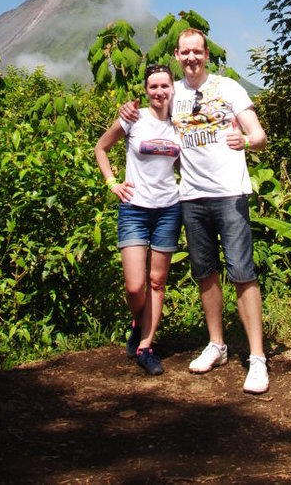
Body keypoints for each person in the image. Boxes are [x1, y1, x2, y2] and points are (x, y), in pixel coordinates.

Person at [121, 28, 269, 393]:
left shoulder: (229, 88)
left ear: (207, 54)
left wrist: (246, 141)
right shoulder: (173, 94)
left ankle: (256, 358)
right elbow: (149, 114)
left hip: (230, 193)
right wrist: (126, 111)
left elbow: (261, 137)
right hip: (190, 196)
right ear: (176, 54)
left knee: (241, 272)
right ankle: (217, 345)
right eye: (184, 52)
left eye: (197, 52)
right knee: (205, 273)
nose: (191, 58)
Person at [94, 64, 182, 376]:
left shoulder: (180, 123)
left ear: (173, 88)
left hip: (169, 209)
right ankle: (138, 320)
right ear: (146, 91)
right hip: (134, 209)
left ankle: (146, 346)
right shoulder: (133, 118)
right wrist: (111, 183)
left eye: (164, 86)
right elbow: (101, 148)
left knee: (157, 282)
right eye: (153, 87)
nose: (159, 92)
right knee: (135, 287)